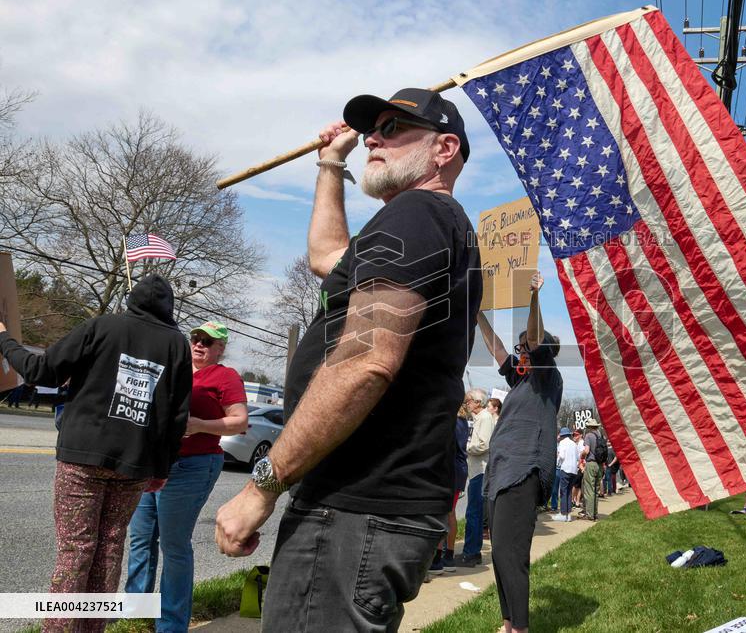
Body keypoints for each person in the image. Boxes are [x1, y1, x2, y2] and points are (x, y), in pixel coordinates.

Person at [214, 87, 481, 632]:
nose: (373, 140)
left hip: (357, 509)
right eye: (371, 131)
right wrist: (330, 166)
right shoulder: (416, 223)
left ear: (444, 148)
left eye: (393, 129)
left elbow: (365, 361)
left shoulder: (418, 213)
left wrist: (262, 485)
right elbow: (325, 256)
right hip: (364, 510)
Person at [0, 275, 191, 633]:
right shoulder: (176, 345)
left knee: (75, 550)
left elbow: (41, 371)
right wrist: (161, 468)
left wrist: (4, 339)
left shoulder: (101, 326)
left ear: (131, 298)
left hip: (82, 458)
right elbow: (176, 416)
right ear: (169, 308)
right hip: (134, 466)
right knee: (109, 550)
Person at [126, 320, 248, 632]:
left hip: (194, 465)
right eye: (196, 338)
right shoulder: (174, 368)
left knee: (174, 544)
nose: (199, 344)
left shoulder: (226, 376)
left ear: (220, 349)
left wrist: (200, 425)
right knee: (140, 537)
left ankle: (171, 623)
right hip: (155, 464)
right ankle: (135, 610)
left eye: (208, 342)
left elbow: (239, 422)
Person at [478, 272, 563, 633]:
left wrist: (533, 297)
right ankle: (508, 622)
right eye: (521, 348)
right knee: (499, 553)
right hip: (500, 471)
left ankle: (522, 628)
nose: (521, 349)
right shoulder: (521, 378)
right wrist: (477, 311)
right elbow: (495, 345)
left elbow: (534, 335)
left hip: (523, 468)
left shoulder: (547, 376)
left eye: (526, 346)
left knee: (512, 554)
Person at [456, 388, 494, 568]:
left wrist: (465, 447)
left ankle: (471, 552)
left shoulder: (485, 418)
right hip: (476, 470)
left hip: (481, 470)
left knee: (473, 512)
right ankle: (472, 551)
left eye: (469, 401)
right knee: (474, 512)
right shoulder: (480, 418)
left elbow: (483, 444)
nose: (467, 404)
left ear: (478, 402)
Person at [430, 404, 470, 574]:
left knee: (441, 513)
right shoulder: (464, 422)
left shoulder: (452, 421)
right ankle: (449, 556)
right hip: (458, 470)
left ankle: (437, 559)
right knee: (450, 513)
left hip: (448, 470)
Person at [552, 427, 579, 522]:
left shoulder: (562, 443)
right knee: (568, 492)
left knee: (563, 492)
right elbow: (577, 457)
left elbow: (561, 456)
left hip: (565, 469)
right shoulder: (574, 444)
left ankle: (563, 514)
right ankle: (568, 514)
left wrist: (557, 461)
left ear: (562, 436)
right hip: (574, 470)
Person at [580, 418, 602, 520]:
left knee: (589, 490)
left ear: (589, 427)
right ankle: (595, 514)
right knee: (596, 490)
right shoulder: (600, 436)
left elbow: (587, 450)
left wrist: (582, 455)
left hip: (591, 464)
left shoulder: (588, 436)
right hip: (599, 465)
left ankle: (589, 515)